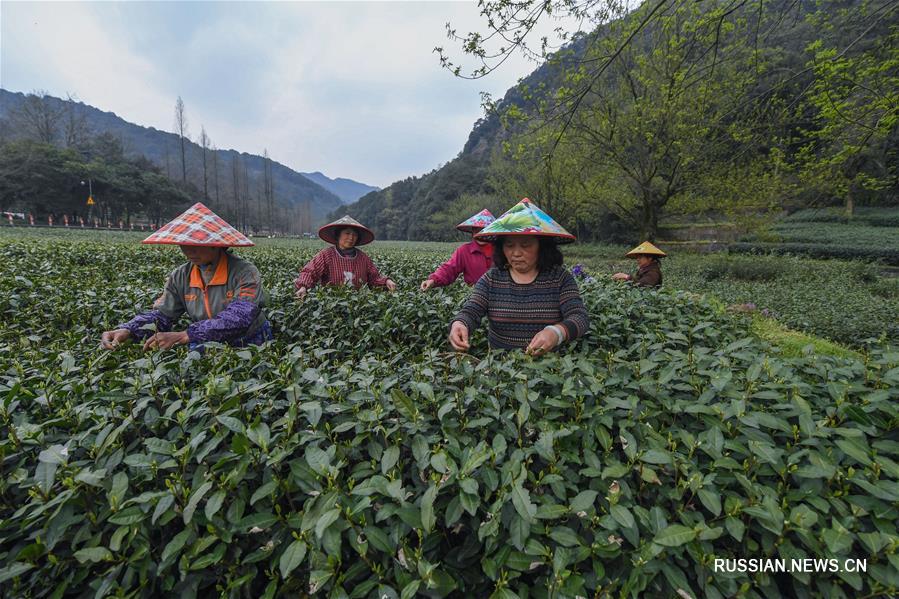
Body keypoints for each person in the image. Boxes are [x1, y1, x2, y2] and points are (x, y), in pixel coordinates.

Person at [100, 202, 272, 351]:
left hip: (249, 340)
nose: (188, 251)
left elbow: (239, 318)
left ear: (217, 245)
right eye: (183, 244)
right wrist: (129, 329)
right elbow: (162, 315)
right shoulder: (180, 276)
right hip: (206, 339)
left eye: (195, 244)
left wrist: (185, 335)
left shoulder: (245, 272)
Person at [449, 198, 590, 355]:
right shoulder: (491, 279)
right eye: (509, 245)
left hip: (549, 369)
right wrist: (460, 323)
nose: (516, 253)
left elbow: (579, 317)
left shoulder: (560, 279)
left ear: (542, 247)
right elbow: (471, 311)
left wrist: (557, 332)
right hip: (502, 369)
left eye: (525, 245)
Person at [294, 215, 396, 298]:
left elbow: (374, 278)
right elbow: (310, 272)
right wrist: (303, 287)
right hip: (331, 305)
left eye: (354, 235)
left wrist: (386, 281)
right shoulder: (326, 255)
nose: (351, 237)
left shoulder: (363, 258)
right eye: (347, 233)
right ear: (338, 236)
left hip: (358, 304)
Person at [420, 209, 495, 290]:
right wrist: (433, 280)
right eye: (476, 230)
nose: (480, 234)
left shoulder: (501, 249)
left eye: (484, 230)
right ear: (472, 232)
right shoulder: (464, 251)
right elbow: (450, 268)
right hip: (475, 296)